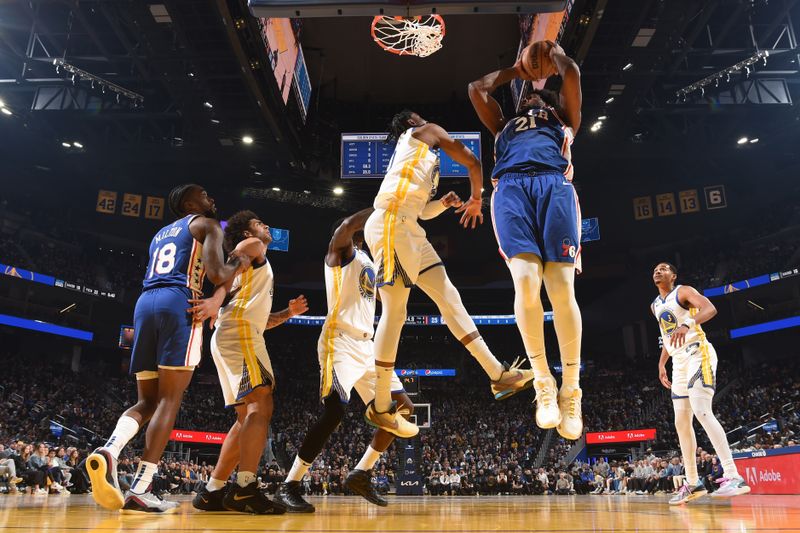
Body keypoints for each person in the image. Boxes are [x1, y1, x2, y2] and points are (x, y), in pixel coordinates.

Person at [364, 110, 535, 437]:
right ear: (413, 122)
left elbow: (422, 213)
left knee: (449, 298)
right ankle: (382, 404)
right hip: (389, 224)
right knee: (395, 312)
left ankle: (497, 374)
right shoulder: (424, 131)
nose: (423, 115)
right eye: (418, 114)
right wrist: (475, 198)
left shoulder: (419, 159)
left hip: (408, 227)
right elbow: (473, 161)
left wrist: (441, 204)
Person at [86, 184, 251, 512]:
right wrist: (239, 263)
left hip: (144, 305)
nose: (212, 198)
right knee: (169, 400)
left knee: (146, 401)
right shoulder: (206, 225)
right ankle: (141, 488)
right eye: (205, 194)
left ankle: (109, 450)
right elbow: (218, 273)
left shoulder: (160, 234)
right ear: (190, 203)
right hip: (180, 303)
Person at [468, 40, 584, 439]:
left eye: (534, 91)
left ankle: (571, 385)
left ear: (546, 100)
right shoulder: (503, 125)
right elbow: (476, 89)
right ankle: (542, 381)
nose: (527, 95)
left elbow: (572, 75)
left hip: (555, 187)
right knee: (525, 282)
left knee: (561, 287)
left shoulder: (563, 118)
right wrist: (516, 71)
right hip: (512, 190)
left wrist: (555, 56)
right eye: (524, 94)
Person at [273, 208, 413, 512]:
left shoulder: (368, 261)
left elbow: (377, 297)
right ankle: (289, 484)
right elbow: (348, 225)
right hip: (340, 342)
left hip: (368, 347)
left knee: (402, 408)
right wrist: (384, 205)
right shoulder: (339, 254)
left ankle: (361, 473)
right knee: (335, 411)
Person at [189, 210, 306, 514]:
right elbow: (232, 263)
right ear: (246, 233)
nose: (264, 225)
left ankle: (212, 489)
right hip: (239, 333)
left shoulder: (256, 270)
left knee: (245, 418)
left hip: (239, 330)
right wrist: (216, 298)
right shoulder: (251, 245)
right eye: (257, 223)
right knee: (261, 405)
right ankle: (244, 488)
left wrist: (289, 314)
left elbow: (263, 321)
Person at [651, 262, 750, 504]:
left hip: (698, 354)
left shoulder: (683, 291)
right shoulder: (655, 305)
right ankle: (693, 483)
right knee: (681, 423)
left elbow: (710, 308)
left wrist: (688, 323)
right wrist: (662, 363)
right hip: (678, 362)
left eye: (664, 268)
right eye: (655, 268)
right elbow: (668, 336)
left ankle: (733, 475)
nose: (658, 270)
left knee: (702, 412)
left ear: (673, 276)